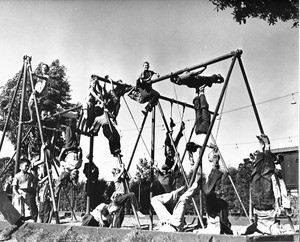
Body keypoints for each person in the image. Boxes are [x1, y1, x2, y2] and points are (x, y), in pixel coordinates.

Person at [245, 134, 281, 235]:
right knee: (267, 173)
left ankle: (261, 149)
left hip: (259, 204)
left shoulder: (263, 229)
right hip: (266, 203)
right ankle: (267, 147)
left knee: (256, 174)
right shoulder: (272, 229)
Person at [194, 148, 232, 235]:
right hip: (214, 207)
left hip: (214, 207)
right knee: (208, 191)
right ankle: (227, 230)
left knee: (208, 192)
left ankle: (227, 230)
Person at [111, 163, 144, 228]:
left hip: (121, 198)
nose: (119, 172)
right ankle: (137, 210)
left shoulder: (122, 180)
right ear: (115, 173)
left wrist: (125, 170)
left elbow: (129, 177)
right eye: (117, 172)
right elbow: (122, 172)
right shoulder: (115, 178)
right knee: (132, 195)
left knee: (120, 214)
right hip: (118, 197)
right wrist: (123, 167)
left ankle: (116, 227)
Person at [185, 86, 210, 166]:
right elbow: (190, 149)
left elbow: (209, 144)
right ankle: (196, 93)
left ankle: (201, 92)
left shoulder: (200, 143)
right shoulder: (195, 141)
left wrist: (213, 147)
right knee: (197, 111)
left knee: (204, 108)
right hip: (197, 130)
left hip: (204, 129)